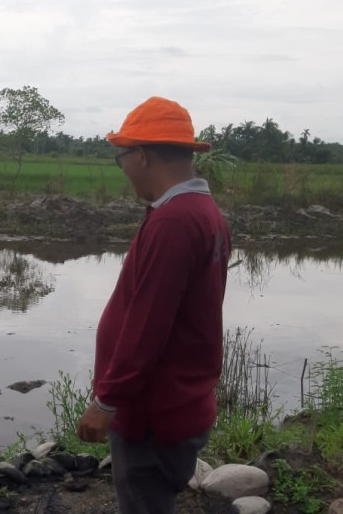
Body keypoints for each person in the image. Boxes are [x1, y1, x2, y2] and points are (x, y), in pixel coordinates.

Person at [77, 97, 232, 514]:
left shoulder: (175, 222)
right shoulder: (201, 212)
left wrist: (106, 401)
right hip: (176, 402)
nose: (122, 167)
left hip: (153, 412)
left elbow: (148, 327)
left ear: (141, 155)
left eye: (121, 157)